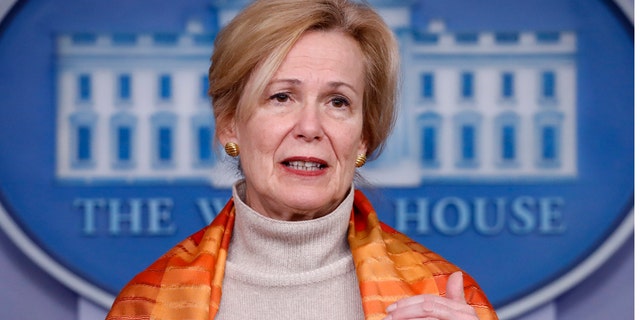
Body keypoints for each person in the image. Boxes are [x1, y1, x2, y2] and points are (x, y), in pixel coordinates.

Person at [107, 0, 498, 319]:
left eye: (338, 101)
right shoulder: (148, 305)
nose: (309, 126)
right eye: (281, 97)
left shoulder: (444, 295)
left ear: (363, 136)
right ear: (229, 125)